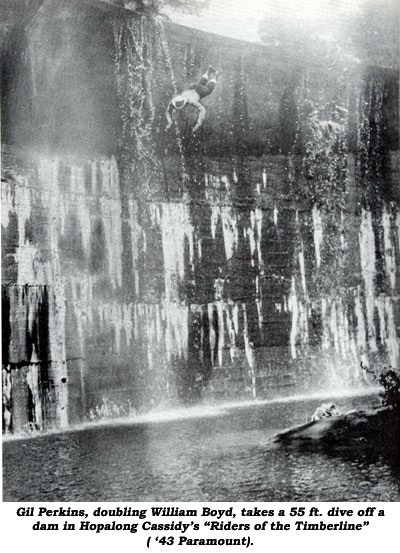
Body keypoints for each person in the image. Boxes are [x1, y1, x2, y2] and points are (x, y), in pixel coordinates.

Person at [166, 66, 218, 133]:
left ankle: (215, 75)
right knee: (201, 83)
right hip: (192, 87)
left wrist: (198, 124)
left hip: (200, 92)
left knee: (209, 89)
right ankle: (208, 70)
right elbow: (168, 110)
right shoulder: (174, 101)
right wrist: (169, 121)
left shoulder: (191, 101)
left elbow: (203, 110)